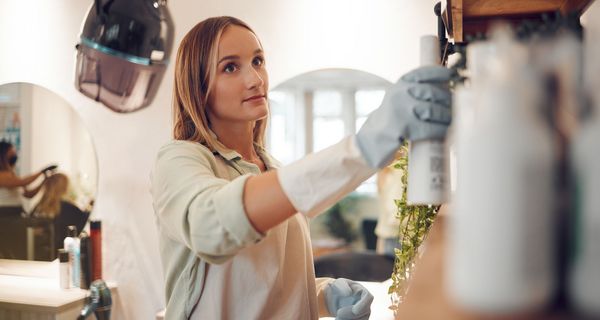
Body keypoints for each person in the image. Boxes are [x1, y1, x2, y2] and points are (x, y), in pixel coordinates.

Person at [150, 16, 453, 319]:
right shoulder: (179, 160)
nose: (256, 79)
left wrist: (323, 294)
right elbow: (211, 228)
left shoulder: (273, 170)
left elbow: (265, 284)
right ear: (198, 85)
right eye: (230, 67)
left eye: (258, 61)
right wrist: (363, 148)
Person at [31, 173, 89, 250]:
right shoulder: (69, 208)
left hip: (40, 254)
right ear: (64, 188)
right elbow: (84, 224)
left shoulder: (38, 207)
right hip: (64, 251)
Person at [0, 141, 55, 215]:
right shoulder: (2, 176)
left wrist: (43, 181)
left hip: (15, 213)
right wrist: (41, 172)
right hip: (4, 214)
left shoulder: (12, 175)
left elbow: (29, 194)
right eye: (12, 151)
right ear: (3, 154)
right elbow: (23, 182)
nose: (15, 154)